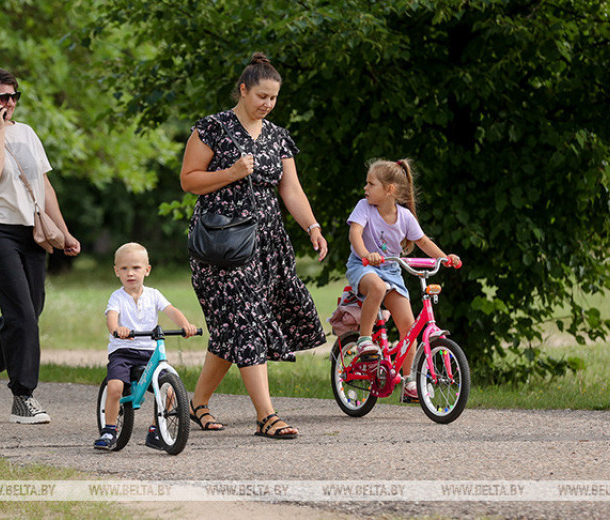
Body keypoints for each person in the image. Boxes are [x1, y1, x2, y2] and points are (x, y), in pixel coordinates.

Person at [180, 53, 328, 440]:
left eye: (274, 98)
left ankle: (196, 405)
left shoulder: (278, 136)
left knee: (232, 329)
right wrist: (230, 173)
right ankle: (266, 415)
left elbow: (290, 189)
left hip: (267, 243)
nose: (267, 103)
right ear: (243, 90)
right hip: (222, 243)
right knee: (246, 323)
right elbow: (189, 180)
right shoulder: (212, 128)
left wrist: (311, 225)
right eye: (261, 95)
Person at [0, 67, 81, 424]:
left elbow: (43, 185)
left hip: (32, 230)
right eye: (2, 97)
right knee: (21, 314)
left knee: (29, 311)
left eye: (14, 96)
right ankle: (23, 396)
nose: (10, 102)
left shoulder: (27, 133)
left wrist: (65, 230)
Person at [345, 158, 460, 401]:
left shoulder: (405, 217)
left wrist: (445, 258)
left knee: (409, 327)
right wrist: (366, 255)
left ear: (390, 190)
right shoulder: (364, 207)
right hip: (363, 267)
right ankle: (365, 339)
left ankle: (409, 381)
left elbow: (423, 242)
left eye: (371, 184)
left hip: (393, 272)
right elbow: (355, 233)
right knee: (376, 286)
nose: (365, 188)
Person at [94, 243, 199, 451]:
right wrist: (117, 329)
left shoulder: (154, 295)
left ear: (147, 270)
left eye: (136, 268)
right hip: (123, 352)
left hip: (149, 352)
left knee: (169, 391)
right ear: (116, 272)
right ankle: (109, 429)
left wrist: (185, 325)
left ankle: (155, 430)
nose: (130, 273)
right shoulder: (117, 297)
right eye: (124, 269)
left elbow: (171, 310)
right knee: (115, 388)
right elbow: (111, 317)